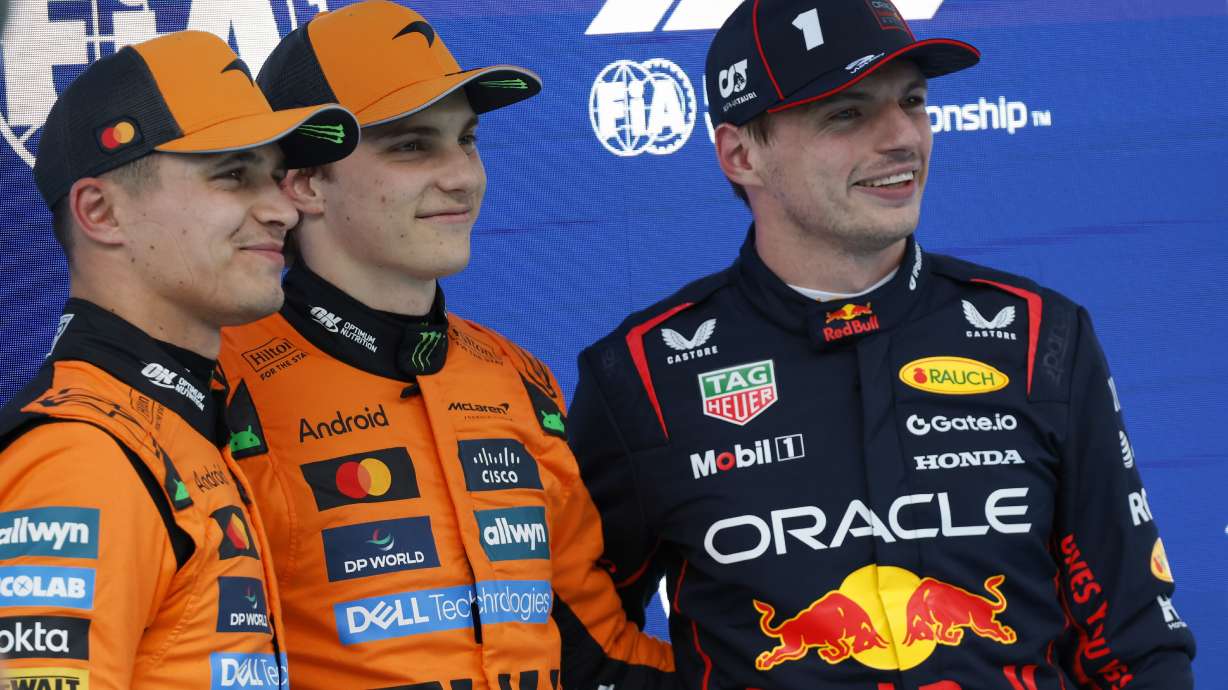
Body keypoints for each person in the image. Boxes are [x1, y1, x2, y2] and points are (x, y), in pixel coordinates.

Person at [567, 0, 1197, 688]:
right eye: (847, 112)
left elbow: (1136, 642)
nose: (903, 136)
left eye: (914, 101)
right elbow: (581, 632)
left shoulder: (1041, 335)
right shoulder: (644, 373)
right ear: (742, 153)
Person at [215, 3, 675, 689]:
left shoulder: (516, 378)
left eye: (467, 139)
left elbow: (593, 648)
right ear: (305, 182)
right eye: (411, 145)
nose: (462, 175)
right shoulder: (217, 384)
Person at [0, 31, 358, 689]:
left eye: (276, 175)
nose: (283, 208)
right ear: (101, 212)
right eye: (233, 174)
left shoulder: (186, 422)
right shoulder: (83, 458)